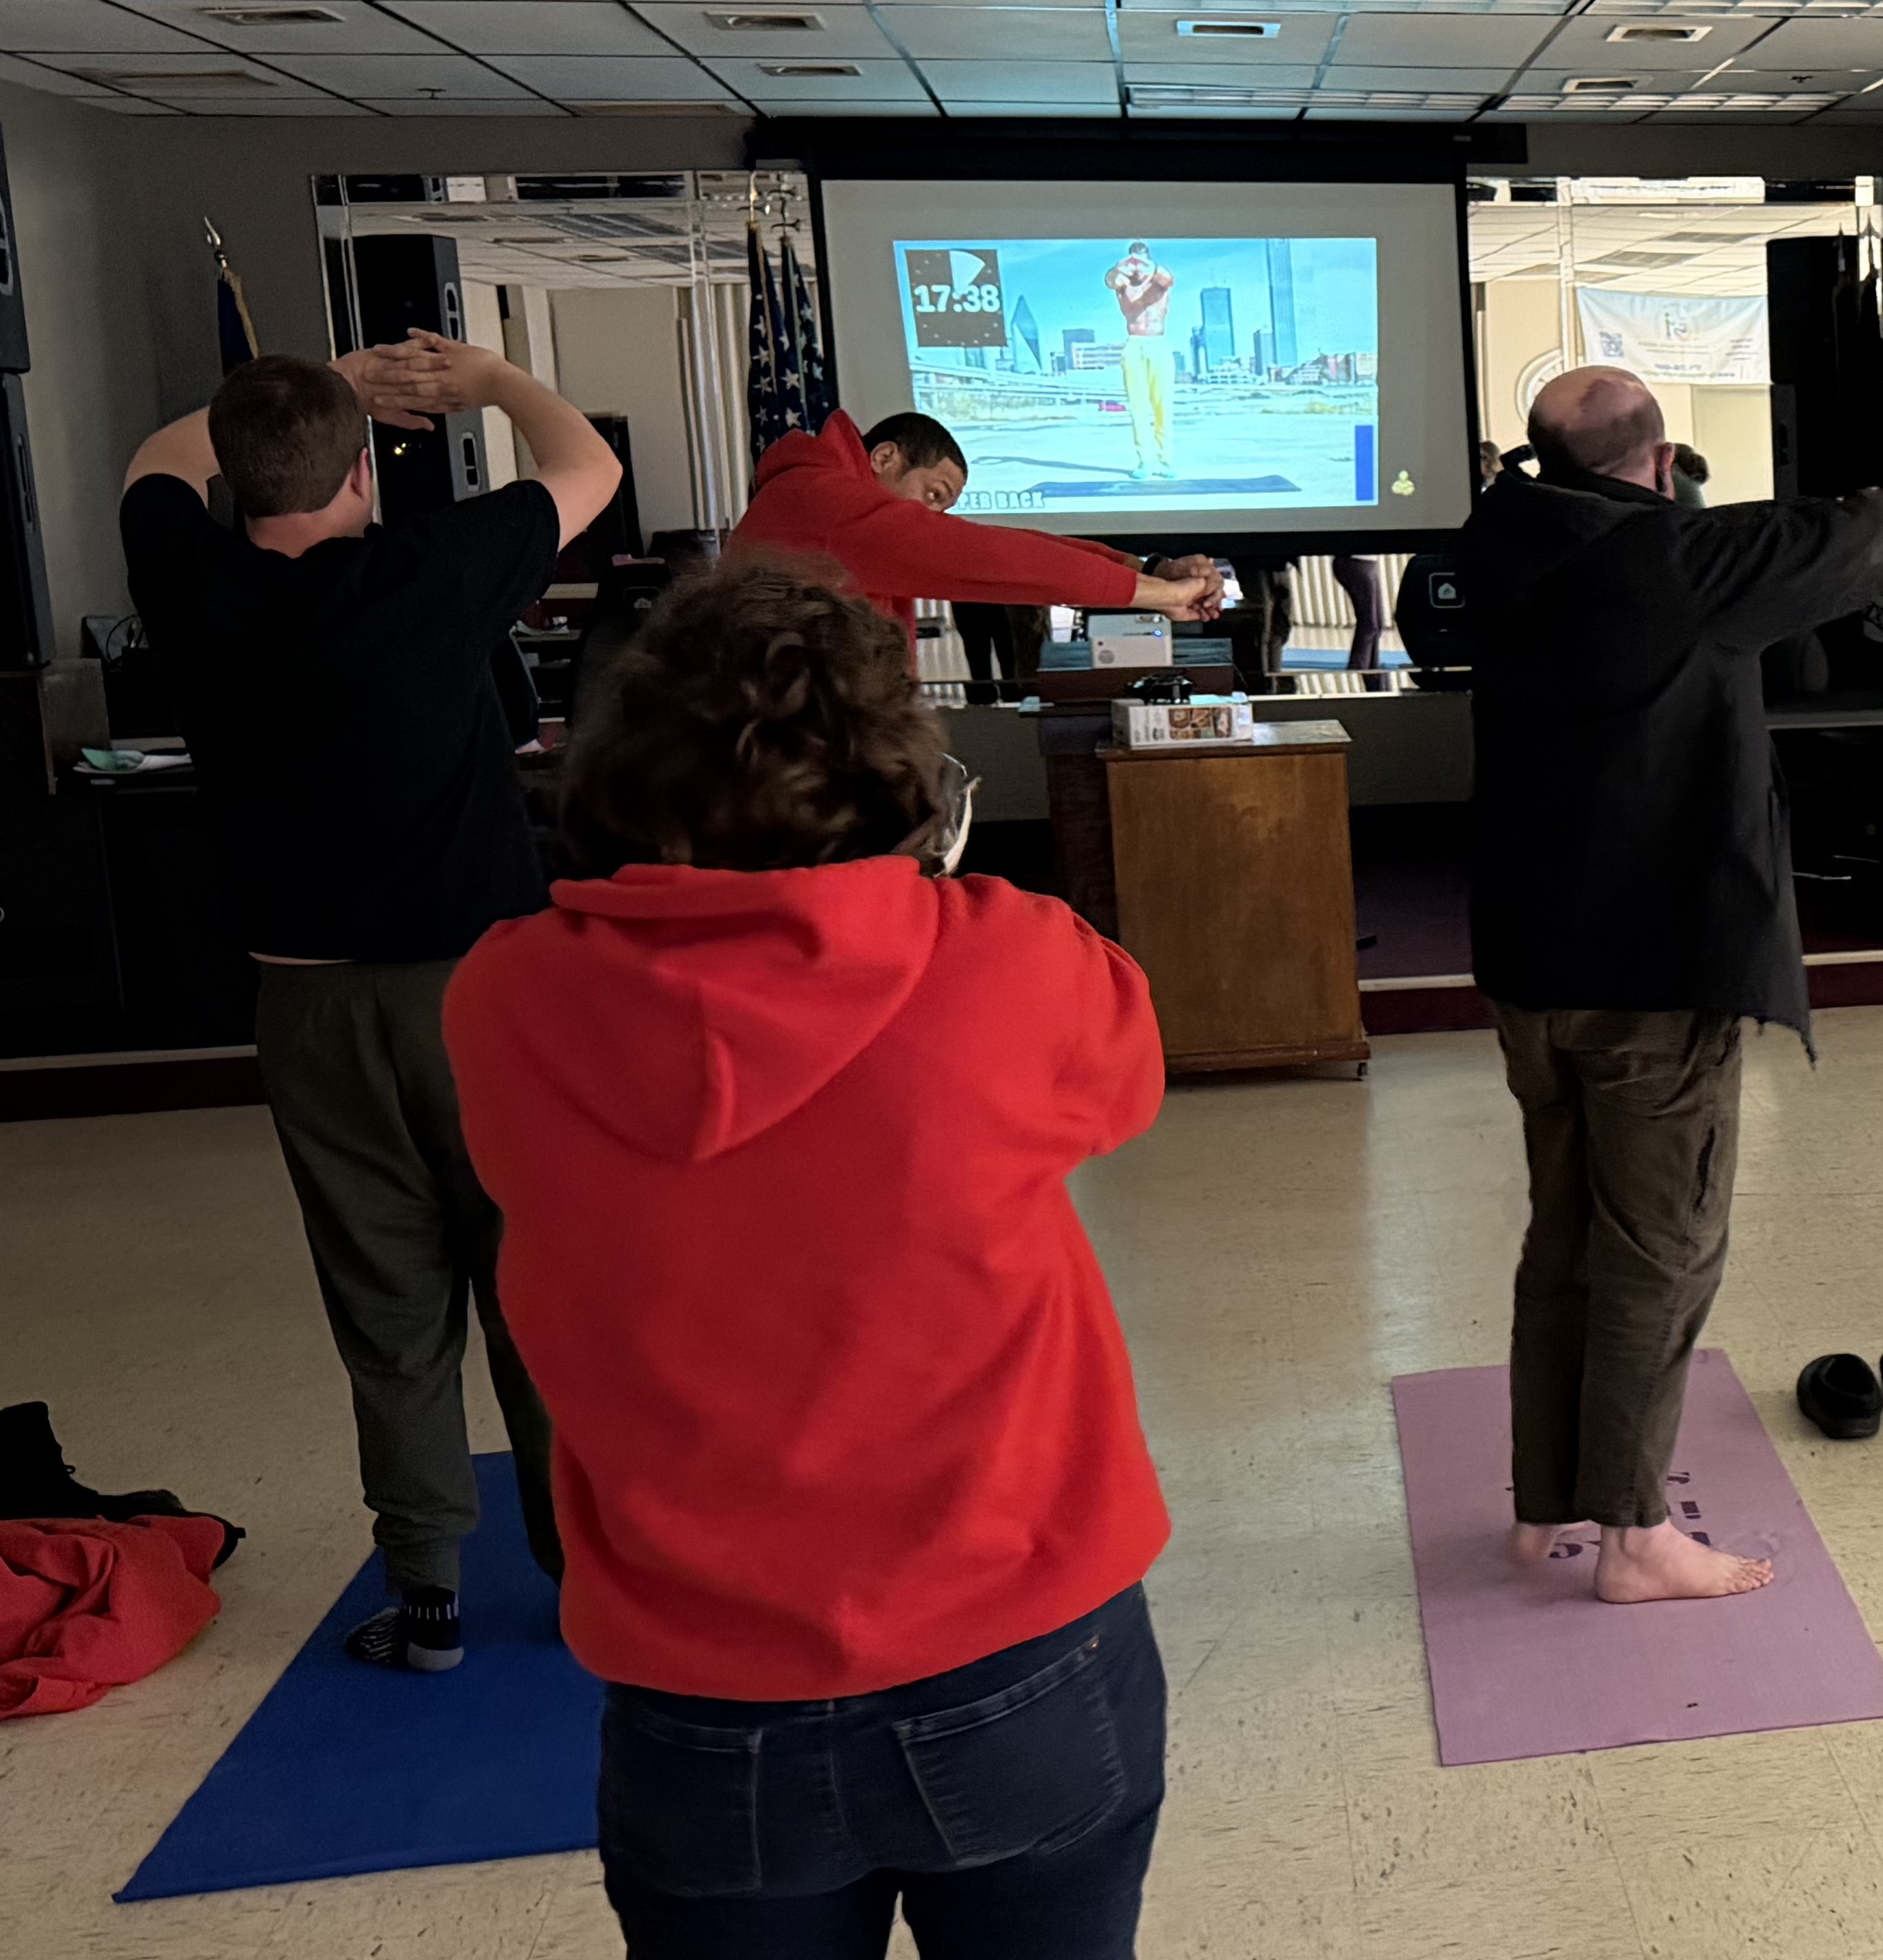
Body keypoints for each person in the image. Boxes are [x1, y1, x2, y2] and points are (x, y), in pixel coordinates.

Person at [445, 562, 1186, 1960]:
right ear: (905, 771)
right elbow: (1127, 1064)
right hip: (1022, 1669)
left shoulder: (508, 997)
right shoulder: (995, 966)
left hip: (700, 1711)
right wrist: (941, 871)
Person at [119, 334, 619, 1673]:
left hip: (309, 1010)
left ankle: (430, 1595)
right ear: (361, 470)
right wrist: (491, 383)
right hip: (485, 1001)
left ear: (235, 480)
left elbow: (156, 460)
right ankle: (587, 1577)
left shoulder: (190, 576)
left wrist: (315, 381)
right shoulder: (428, 572)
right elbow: (590, 464)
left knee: (385, 1307)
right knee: (539, 1290)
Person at [1467, 364, 1883, 1600]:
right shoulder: (1670, 567)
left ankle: (1546, 1508)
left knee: (1569, 1241)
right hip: (1649, 973)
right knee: (1663, 1252)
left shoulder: (1501, 542)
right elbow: (1875, 537)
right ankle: (1634, 1537)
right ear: (1659, 460)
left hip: (1532, 966)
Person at [728, 405, 1224, 655]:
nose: (934, 518)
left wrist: (1150, 569)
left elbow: (1010, 545)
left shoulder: (820, 497)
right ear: (884, 458)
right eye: (933, 494)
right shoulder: (821, 499)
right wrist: (1158, 595)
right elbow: (992, 556)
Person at [1106, 243, 1176, 453]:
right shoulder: (1123, 284)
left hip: (1158, 343)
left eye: (1141, 262)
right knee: (1138, 407)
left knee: (1162, 406)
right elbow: (1110, 280)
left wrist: (1148, 265)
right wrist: (1120, 267)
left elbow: (1168, 279)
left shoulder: (1159, 283)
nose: (1137, 268)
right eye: (1133, 262)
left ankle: (1166, 458)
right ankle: (1145, 459)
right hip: (1134, 343)